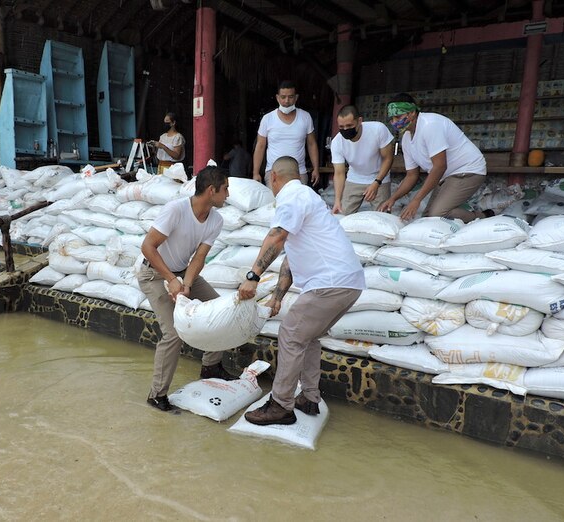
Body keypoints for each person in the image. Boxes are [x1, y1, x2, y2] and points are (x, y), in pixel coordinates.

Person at [237, 156, 364, 425]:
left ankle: (281, 406)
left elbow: (276, 237)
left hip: (330, 283)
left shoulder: (291, 196)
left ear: (273, 177)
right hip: (347, 284)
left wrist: (253, 276)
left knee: (291, 334)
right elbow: (290, 257)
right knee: (308, 336)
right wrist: (277, 297)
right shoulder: (307, 197)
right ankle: (309, 397)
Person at [138, 166, 236, 412]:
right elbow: (147, 247)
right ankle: (157, 395)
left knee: (220, 310)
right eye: (225, 189)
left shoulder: (216, 219)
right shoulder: (176, 210)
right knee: (173, 333)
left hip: (183, 273)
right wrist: (171, 279)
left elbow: (199, 258)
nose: (228, 194)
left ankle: (210, 366)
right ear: (211, 190)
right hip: (154, 273)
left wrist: (187, 284)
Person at [378, 93, 493, 222]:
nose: (394, 122)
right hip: (446, 177)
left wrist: (416, 200)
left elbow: (440, 166)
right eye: (391, 119)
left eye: (398, 117)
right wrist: (392, 199)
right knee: (427, 218)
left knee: (437, 215)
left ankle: (483, 217)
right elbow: (411, 175)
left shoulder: (430, 125)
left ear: (411, 113)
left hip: (468, 171)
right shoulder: (406, 139)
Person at [252, 81, 320, 188]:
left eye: (290, 97)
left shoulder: (305, 117)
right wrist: (255, 173)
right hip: (274, 173)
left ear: (296, 97)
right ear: (277, 98)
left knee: (299, 204)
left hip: (299, 173)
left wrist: (316, 168)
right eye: (283, 97)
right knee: (276, 204)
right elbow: (260, 146)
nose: (286, 101)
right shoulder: (267, 119)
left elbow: (312, 144)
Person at [331, 105, 394, 215]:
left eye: (349, 125)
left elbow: (388, 158)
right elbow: (339, 173)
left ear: (359, 121)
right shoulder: (337, 142)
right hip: (355, 177)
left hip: (379, 177)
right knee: (343, 213)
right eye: (341, 127)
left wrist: (377, 182)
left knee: (382, 217)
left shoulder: (378, 129)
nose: (345, 129)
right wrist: (337, 200)